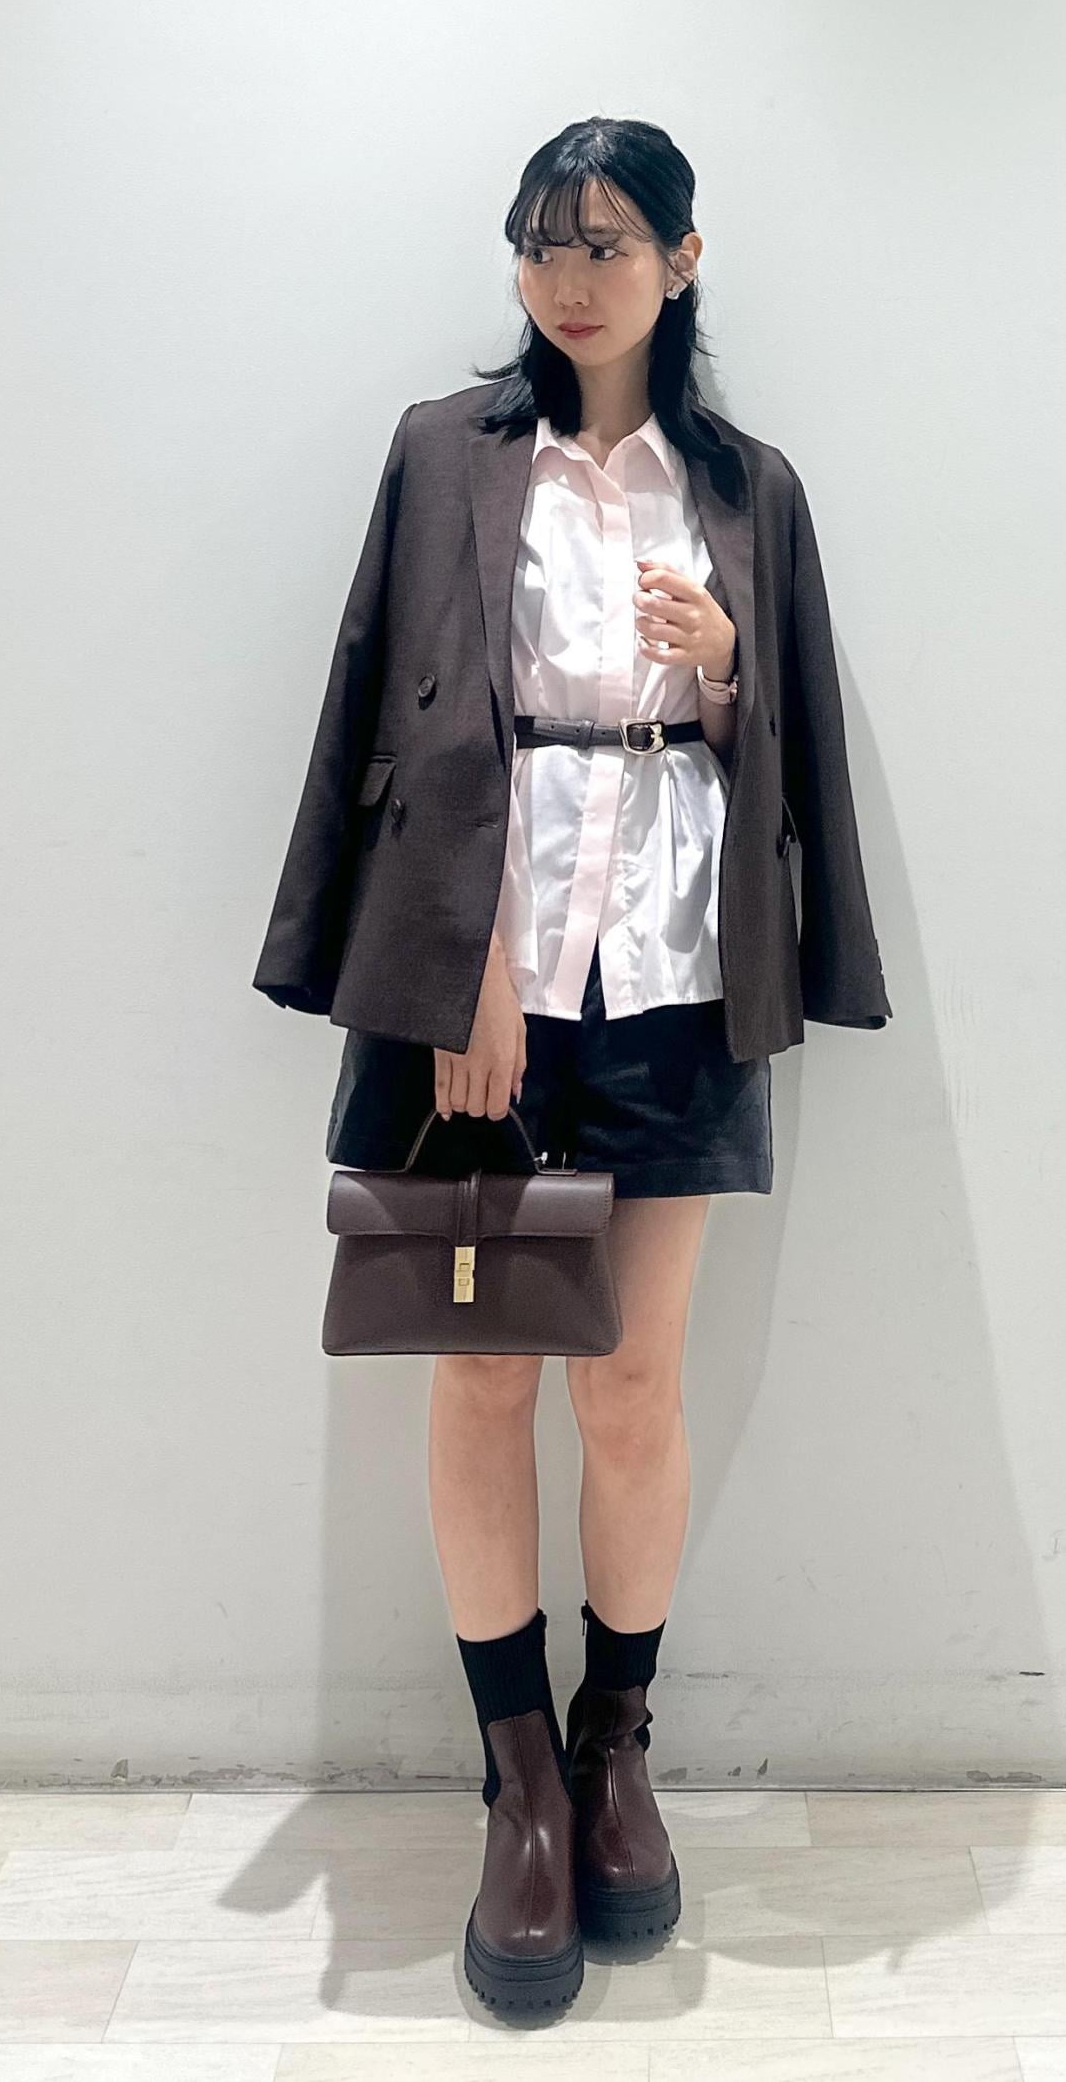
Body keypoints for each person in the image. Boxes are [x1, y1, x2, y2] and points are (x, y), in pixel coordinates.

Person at [256, 115, 891, 2017]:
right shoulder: (445, 452)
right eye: (542, 243)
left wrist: (725, 668)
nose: (570, 278)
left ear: (684, 260)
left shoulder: (748, 487)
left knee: (629, 1381)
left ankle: (618, 1747)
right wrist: (456, 967)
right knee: (479, 1377)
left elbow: (788, 752)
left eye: (607, 242)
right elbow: (386, 705)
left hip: (680, 972)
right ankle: (516, 1778)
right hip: (489, 987)